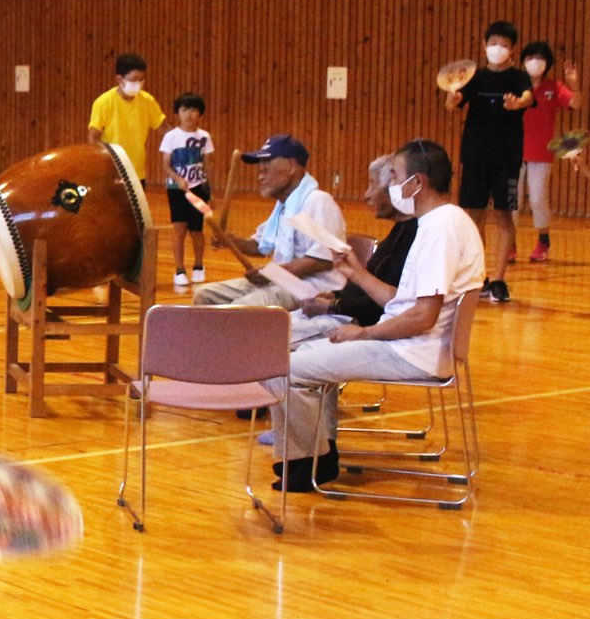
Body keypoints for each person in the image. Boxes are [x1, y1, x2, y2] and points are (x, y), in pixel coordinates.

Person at [264, 139, 483, 492]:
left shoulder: (440, 229)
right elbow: (403, 301)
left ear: (417, 182)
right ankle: (319, 456)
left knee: (285, 368)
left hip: (414, 352)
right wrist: (356, 272)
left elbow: (422, 317)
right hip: (414, 345)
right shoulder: (446, 220)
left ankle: (306, 466)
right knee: (302, 355)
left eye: (394, 176)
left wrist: (362, 333)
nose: (390, 184)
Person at [193, 135, 344, 309]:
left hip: (311, 288)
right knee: (204, 295)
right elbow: (259, 246)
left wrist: (273, 274)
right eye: (260, 169)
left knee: (241, 308)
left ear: (291, 166)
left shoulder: (318, 201)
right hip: (281, 283)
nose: (260, 176)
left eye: (266, 167)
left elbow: (323, 260)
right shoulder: (284, 207)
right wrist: (229, 240)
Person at [443, 19, 533, 303]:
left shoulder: (518, 78)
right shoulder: (475, 77)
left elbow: (527, 97)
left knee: (504, 216)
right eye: (493, 43)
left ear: (512, 49)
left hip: (507, 157)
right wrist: (452, 98)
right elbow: (452, 106)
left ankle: (499, 280)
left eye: (504, 44)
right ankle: (479, 276)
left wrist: (516, 104)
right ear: (484, 45)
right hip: (475, 155)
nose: (498, 48)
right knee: (474, 217)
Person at [289, 155, 418, 346]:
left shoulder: (414, 236)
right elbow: (371, 285)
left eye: (372, 184)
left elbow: (389, 305)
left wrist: (334, 306)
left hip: (364, 327)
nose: (367, 194)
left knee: (272, 336)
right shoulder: (400, 231)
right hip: (348, 313)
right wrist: (336, 296)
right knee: (275, 324)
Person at [514, 41, 577, 265]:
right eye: (530, 57)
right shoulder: (515, 84)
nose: (535, 62)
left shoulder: (554, 87)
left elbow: (576, 103)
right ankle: (510, 243)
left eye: (540, 58)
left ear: (547, 63)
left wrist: (574, 84)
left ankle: (543, 240)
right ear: (523, 61)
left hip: (541, 152)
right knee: (512, 200)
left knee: (538, 197)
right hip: (512, 151)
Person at [159, 93, 213, 292]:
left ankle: (198, 265)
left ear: (199, 113)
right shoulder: (171, 137)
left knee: (197, 230)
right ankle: (179, 270)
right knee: (179, 230)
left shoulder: (205, 137)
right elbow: (166, 165)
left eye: (193, 110)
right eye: (184, 110)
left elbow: (207, 165)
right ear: (177, 113)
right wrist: (178, 179)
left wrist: (211, 191)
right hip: (176, 190)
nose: (189, 114)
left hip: (198, 188)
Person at [87, 52, 165, 189]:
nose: (138, 84)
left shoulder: (147, 101)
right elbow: (93, 139)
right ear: (119, 79)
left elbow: (163, 129)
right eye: (134, 79)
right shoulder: (103, 102)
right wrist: (108, 160)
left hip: (137, 171)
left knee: (136, 204)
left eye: (141, 80)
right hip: (111, 171)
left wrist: (182, 140)